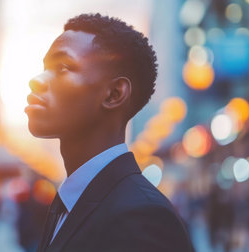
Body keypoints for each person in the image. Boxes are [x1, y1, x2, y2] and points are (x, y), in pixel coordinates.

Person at [25, 13, 193, 252]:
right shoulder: (69, 203)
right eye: (45, 68)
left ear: (114, 94)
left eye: (62, 67)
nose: (36, 81)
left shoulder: (142, 216)